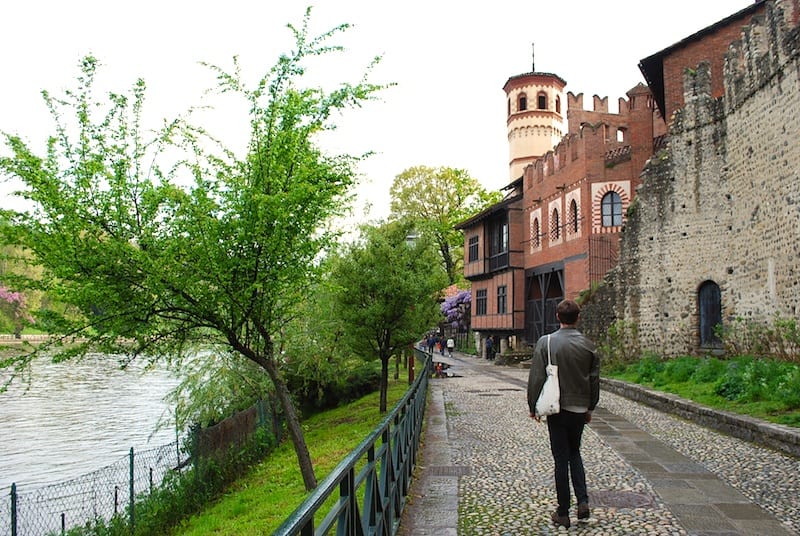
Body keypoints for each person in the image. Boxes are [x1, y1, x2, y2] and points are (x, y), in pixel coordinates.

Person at [527, 299, 600, 529]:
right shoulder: (589, 346)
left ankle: (563, 512)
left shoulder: (546, 342)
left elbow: (537, 377)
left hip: (556, 408)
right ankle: (583, 501)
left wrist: (533, 406)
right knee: (575, 453)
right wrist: (590, 407)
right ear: (578, 317)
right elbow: (594, 380)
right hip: (579, 408)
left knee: (560, 459)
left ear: (558, 317)